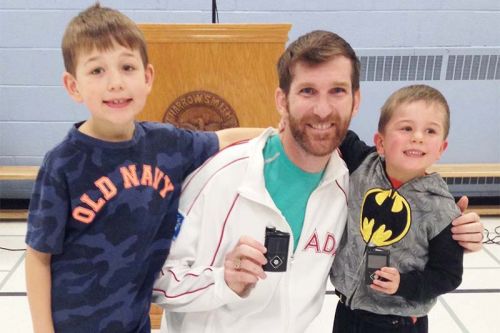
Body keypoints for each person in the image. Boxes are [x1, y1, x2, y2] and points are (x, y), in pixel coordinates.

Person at [152, 31, 482, 332]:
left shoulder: (347, 181)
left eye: (337, 91)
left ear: (356, 101)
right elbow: (156, 280)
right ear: (282, 101)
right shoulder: (221, 176)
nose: (323, 110)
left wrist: (458, 229)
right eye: (308, 91)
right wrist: (222, 281)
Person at [24, 4, 258, 333]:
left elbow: (221, 139)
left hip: (136, 323)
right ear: (73, 85)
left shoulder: (166, 144)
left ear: (147, 77)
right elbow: (38, 256)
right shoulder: (63, 162)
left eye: (127, 67)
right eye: (97, 71)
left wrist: (278, 135)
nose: (116, 83)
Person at [331, 85, 463, 333]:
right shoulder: (363, 163)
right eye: (406, 128)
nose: (418, 137)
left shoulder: (441, 209)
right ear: (380, 142)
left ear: (441, 149)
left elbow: (448, 274)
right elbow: (337, 132)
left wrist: (403, 284)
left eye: (430, 131)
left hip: (398, 322)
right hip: (347, 311)